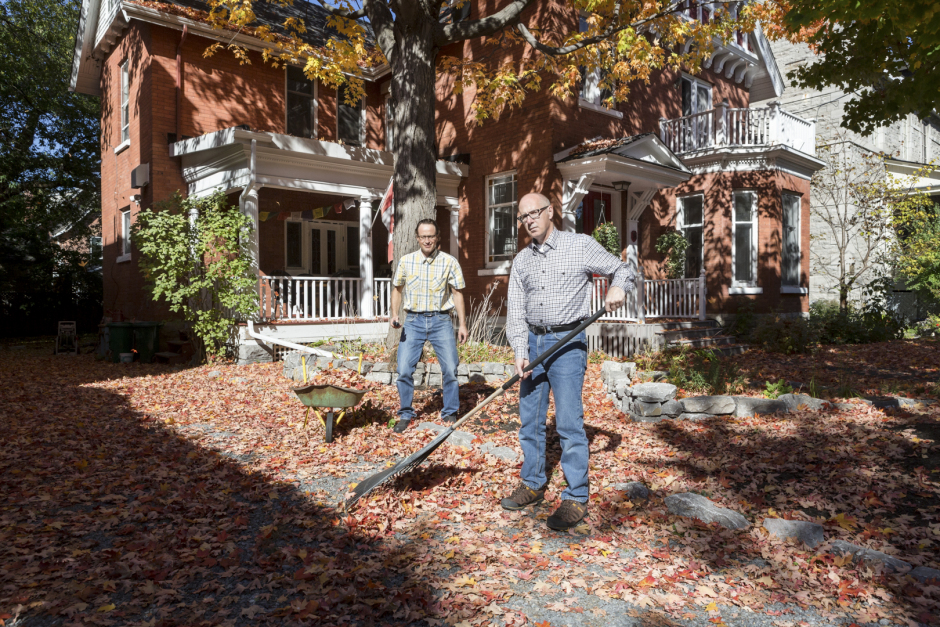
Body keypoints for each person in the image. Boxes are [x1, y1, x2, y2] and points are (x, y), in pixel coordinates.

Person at [501, 192, 634, 531]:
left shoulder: (580, 246)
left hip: (567, 343)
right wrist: (520, 349)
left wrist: (617, 288)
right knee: (529, 420)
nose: (528, 220)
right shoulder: (522, 261)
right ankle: (532, 483)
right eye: (522, 217)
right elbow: (515, 311)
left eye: (534, 213)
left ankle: (575, 496)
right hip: (533, 342)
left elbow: (622, 269)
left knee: (570, 424)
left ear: (550, 212)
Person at [390, 219, 468, 434]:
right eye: (423, 236)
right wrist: (395, 314)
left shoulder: (449, 262)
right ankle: (405, 413)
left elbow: (457, 293)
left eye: (431, 236)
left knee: (450, 368)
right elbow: (397, 289)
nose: (427, 240)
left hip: (440, 321)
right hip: (413, 321)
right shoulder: (406, 261)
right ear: (417, 237)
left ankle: (450, 411)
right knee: (404, 369)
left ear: (437, 237)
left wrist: (462, 324)